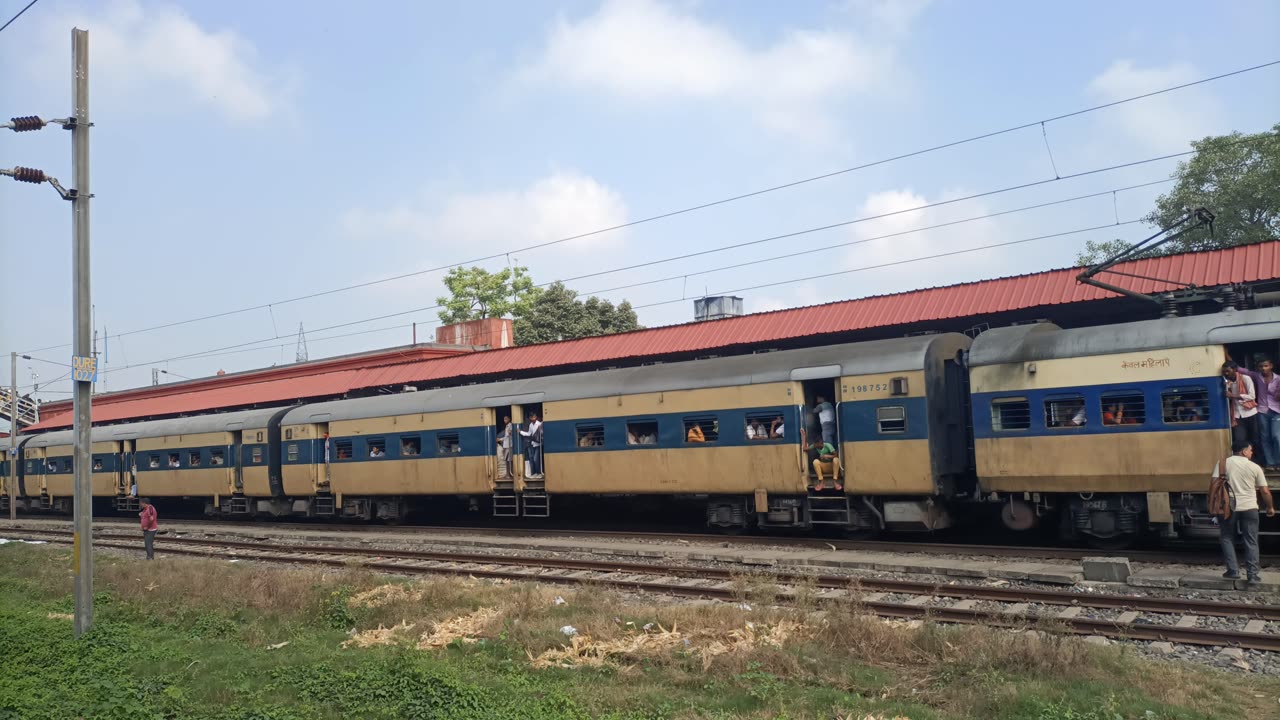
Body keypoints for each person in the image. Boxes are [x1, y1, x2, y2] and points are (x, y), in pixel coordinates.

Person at [1214, 440, 1275, 583]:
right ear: (1243, 451)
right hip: (1250, 508)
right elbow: (1265, 491)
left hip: (1229, 508)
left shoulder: (1222, 464)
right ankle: (1252, 575)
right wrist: (1270, 507)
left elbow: (1214, 485)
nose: (1252, 452)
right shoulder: (1254, 467)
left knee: (1227, 537)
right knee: (1251, 540)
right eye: (1250, 450)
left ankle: (1233, 571)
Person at [1239, 359, 1280, 470]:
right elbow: (1243, 370)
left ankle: (1278, 462)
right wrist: (1227, 355)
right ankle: (1270, 463)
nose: (1263, 368)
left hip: (1277, 411)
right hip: (1262, 411)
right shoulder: (1257, 376)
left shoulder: (1278, 379)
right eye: (1261, 366)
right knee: (1265, 437)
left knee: (1276, 437)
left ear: (1271, 366)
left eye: (1266, 366)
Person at [1224, 362, 1260, 464]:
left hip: (1250, 413)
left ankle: (1257, 462)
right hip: (1237, 415)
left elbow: (1252, 396)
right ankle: (1244, 463)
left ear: (1235, 369)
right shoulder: (1227, 382)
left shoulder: (1246, 378)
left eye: (1228, 371)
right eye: (1224, 371)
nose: (1226, 373)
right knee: (1240, 440)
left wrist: (1233, 395)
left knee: (1255, 439)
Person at [519, 413, 544, 478]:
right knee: (532, 459)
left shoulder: (539, 424)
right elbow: (529, 433)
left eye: (534, 417)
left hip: (539, 444)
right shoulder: (531, 425)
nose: (533, 418)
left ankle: (539, 473)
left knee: (536, 459)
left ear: (536, 417)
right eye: (531, 417)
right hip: (533, 443)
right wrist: (520, 432)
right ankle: (534, 473)